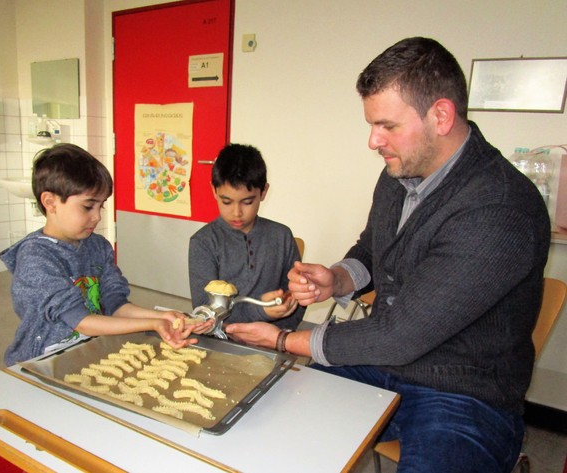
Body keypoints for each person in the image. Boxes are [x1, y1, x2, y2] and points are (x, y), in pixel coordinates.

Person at [226, 37, 551, 473]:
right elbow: (372, 249)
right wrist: (338, 278)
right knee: (266, 420)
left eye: (387, 126)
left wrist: (285, 340)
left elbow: (401, 334)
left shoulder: (501, 206)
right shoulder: (399, 173)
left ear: (440, 115)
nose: (373, 141)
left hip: (465, 393)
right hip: (383, 366)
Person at [0, 143, 209, 366]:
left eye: (102, 206)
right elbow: (81, 321)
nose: (97, 217)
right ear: (50, 202)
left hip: (85, 353)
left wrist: (162, 317)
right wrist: (151, 324)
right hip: (41, 362)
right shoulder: (36, 258)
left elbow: (115, 305)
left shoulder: (98, 247)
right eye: (88, 207)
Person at [188, 143, 304, 330]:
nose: (236, 212)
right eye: (226, 202)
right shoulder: (204, 242)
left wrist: (279, 331)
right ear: (213, 191)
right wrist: (261, 312)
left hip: (275, 335)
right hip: (223, 337)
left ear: (263, 192)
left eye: (247, 202)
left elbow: (297, 297)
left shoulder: (281, 236)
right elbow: (205, 311)